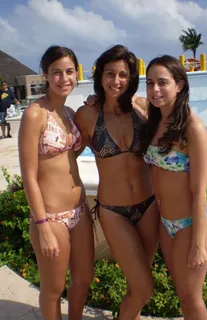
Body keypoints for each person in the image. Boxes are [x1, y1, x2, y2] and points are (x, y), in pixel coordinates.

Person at [75, 45, 159, 320]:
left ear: (132, 77)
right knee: (145, 287)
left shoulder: (143, 108)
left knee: (139, 285)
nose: (116, 81)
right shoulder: (88, 115)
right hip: (114, 211)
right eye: (110, 74)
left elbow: (174, 127)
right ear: (100, 76)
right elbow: (66, 154)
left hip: (148, 206)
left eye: (123, 75)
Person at [18, 45, 94, 320]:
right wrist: (43, 227)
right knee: (53, 288)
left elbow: (67, 157)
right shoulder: (35, 114)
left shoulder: (70, 113)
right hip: (50, 217)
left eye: (70, 71)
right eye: (57, 72)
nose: (65, 78)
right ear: (46, 76)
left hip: (80, 209)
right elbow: (29, 176)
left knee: (84, 278)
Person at [143, 55, 207, 320]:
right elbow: (123, 98)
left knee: (191, 298)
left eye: (163, 82)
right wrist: (95, 100)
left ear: (180, 85)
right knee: (182, 294)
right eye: (150, 83)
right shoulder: (154, 120)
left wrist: (198, 243)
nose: (155, 90)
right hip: (167, 223)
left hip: (190, 224)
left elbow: (200, 191)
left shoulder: (192, 128)